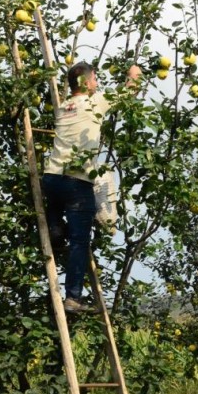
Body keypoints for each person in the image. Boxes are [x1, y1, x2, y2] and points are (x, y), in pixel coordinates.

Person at [42, 62, 141, 313]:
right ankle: (73, 297)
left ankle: (55, 231)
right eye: (94, 78)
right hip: (77, 182)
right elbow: (131, 90)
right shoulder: (94, 102)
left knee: (55, 210)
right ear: (86, 83)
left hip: (52, 178)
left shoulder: (63, 107)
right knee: (79, 241)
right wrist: (134, 70)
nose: (97, 82)